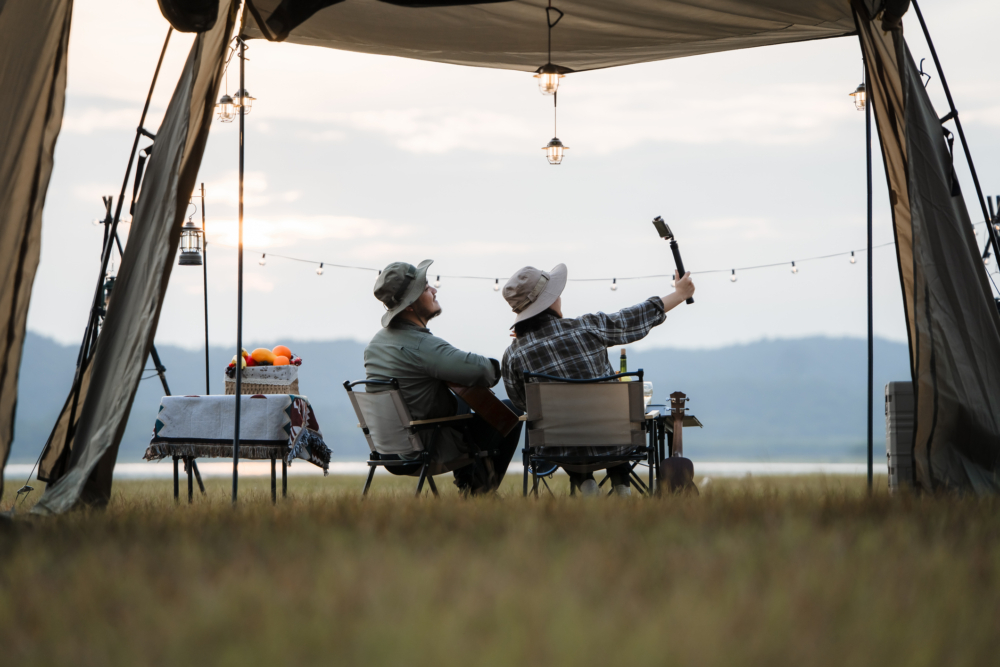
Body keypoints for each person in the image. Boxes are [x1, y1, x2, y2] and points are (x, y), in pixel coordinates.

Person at [500, 263, 695, 497]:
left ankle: (585, 484)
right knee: (609, 418)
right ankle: (622, 484)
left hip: (560, 451)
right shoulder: (587, 327)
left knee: (569, 430)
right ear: (550, 301)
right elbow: (633, 318)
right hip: (617, 444)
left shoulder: (513, 356)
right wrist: (680, 293)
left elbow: (523, 404)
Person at [365, 259, 523, 494]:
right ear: (410, 305)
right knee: (510, 411)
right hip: (425, 445)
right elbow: (482, 371)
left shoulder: (377, 343)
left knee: (460, 403)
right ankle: (476, 492)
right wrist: (497, 363)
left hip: (388, 448)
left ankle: (470, 486)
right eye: (426, 288)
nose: (433, 290)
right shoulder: (421, 346)